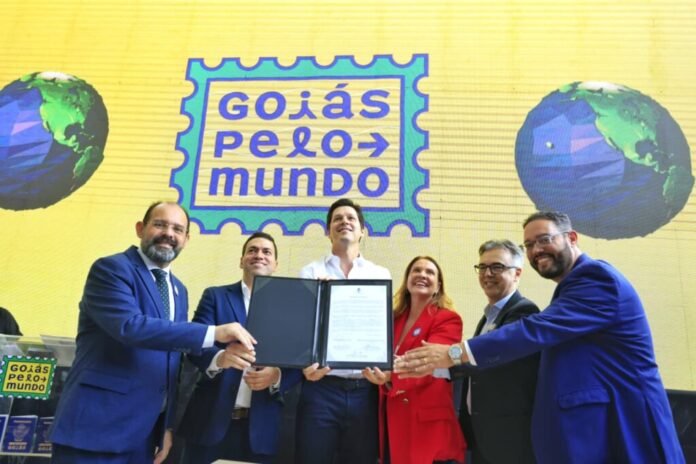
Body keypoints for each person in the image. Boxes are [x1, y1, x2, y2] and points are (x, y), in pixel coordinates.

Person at [396, 212, 685, 463]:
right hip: (590, 426)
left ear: (572, 238)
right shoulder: (568, 290)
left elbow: (535, 330)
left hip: (625, 418)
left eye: (544, 239)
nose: (536, 250)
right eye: (530, 244)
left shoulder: (597, 277)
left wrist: (453, 353)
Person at [50, 201, 257, 464]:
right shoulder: (111, 269)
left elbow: (172, 361)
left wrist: (166, 426)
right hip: (95, 428)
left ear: (186, 239)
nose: (168, 234)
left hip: (144, 436)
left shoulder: (178, 290)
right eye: (160, 224)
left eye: (177, 229)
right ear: (140, 228)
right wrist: (214, 332)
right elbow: (130, 326)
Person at [178, 232, 301, 464]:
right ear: (241, 260)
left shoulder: (289, 307)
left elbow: (299, 358)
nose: (259, 255)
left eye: (266, 252)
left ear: (276, 264)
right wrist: (220, 358)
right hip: (209, 423)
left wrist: (277, 376)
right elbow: (194, 343)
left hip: (260, 430)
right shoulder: (215, 296)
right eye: (252, 250)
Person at [296, 198, 391, 464]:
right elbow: (302, 328)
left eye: (351, 218)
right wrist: (319, 295)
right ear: (328, 231)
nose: (344, 222)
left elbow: (382, 328)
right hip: (320, 387)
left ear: (363, 231)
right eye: (337, 219)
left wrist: (385, 370)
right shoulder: (310, 272)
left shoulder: (380, 274)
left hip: (364, 390)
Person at [364, 256, 466, 464]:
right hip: (393, 420)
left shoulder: (447, 319)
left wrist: (390, 376)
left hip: (427, 427)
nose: (422, 275)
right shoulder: (392, 320)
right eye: (416, 270)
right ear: (407, 281)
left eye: (430, 272)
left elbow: (431, 363)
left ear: (438, 286)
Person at [458, 240, 538, 464]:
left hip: (510, 437)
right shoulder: (488, 316)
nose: (487, 274)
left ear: (517, 273)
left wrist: (448, 357)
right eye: (482, 267)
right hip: (483, 434)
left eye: (497, 267)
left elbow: (495, 358)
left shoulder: (524, 312)